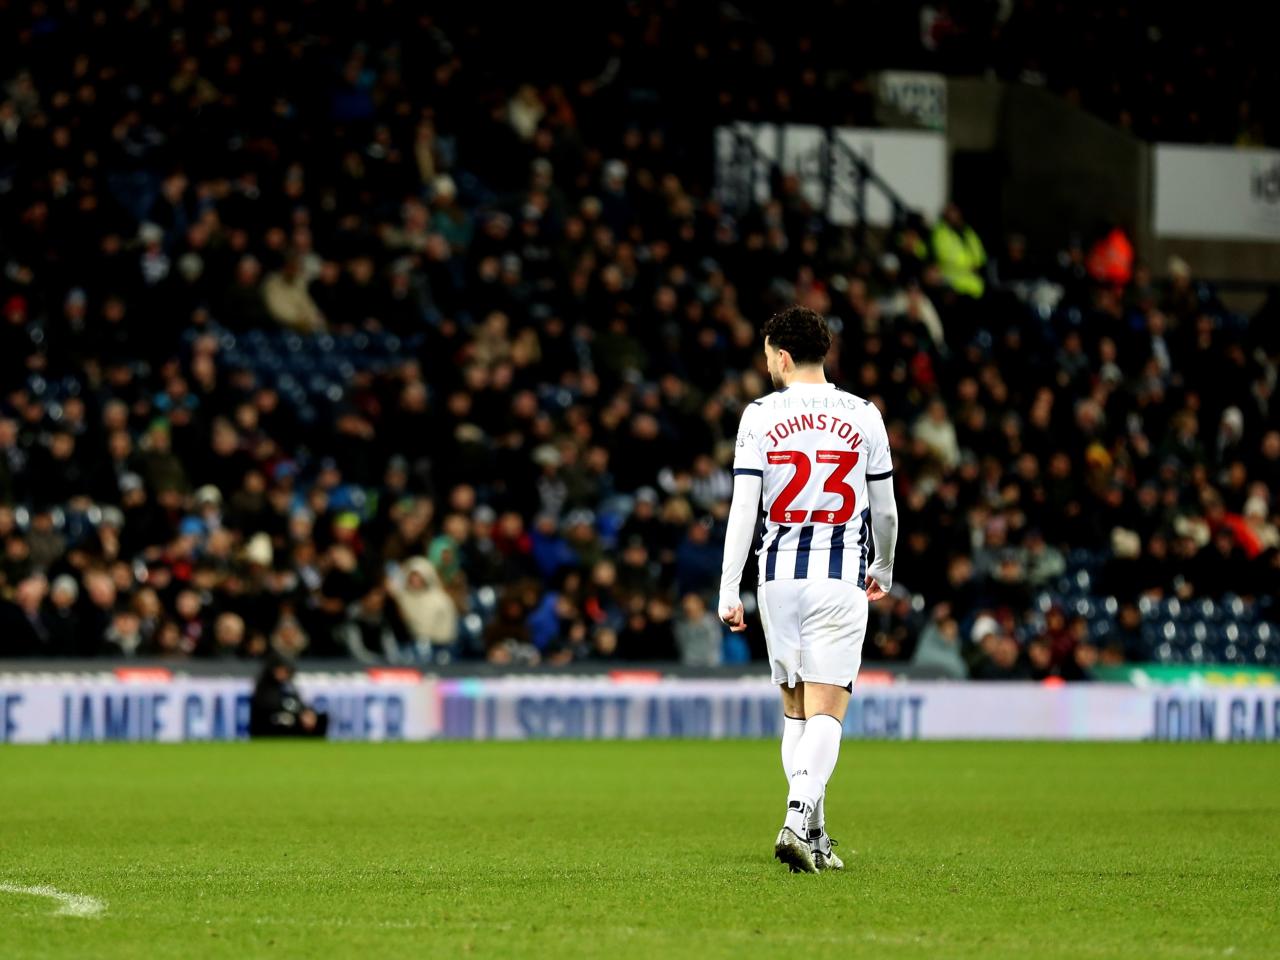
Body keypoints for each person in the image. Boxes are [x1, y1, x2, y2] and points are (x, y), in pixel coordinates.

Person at [718, 305, 898, 874]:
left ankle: (815, 833)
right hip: (839, 575)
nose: (767, 363)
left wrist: (729, 587)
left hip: (777, 580)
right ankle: (796, 820)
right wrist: (885, 566)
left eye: (768, 354)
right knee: (827, 712)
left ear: (783, 355)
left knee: (795, 712)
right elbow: (886, 510)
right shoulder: (864, 415)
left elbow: (744, 507)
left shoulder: (758, 415)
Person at [249, 653, 329, 738]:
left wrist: (306, 712)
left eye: (286, 671)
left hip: (292, 715)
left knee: (321, 717)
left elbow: (296, 702)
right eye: (281, 670)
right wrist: (298, 713)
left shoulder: (288, 684)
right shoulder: (264, 685)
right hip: (268, 722)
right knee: (286, 719)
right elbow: (271, 705)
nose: (284, 673)